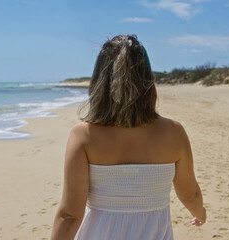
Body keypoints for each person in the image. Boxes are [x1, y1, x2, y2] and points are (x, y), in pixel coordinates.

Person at [50, 35, 206, 240]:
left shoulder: (84, 135)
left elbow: (70, 214)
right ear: (148, 82)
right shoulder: (173, 132)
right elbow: (189, 194)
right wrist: (199, 213)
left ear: (99, 83)